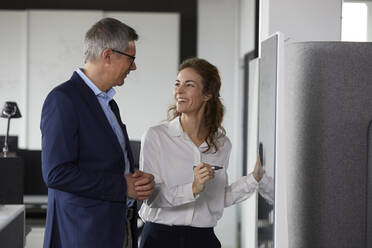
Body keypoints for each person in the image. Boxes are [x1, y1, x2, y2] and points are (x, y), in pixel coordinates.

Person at [40, 18, 155, 248]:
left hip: (119, 227)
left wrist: (133, 179)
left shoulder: (109, 103)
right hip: (84, 234)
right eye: (131, 59)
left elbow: (103, 162)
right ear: (108, 56)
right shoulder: (63, 99)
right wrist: (123, 186)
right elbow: (56, 173)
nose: (134, 67)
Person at [138, 58, 274, 248]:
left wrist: (254, 178)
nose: (179, 90)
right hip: (160, 239)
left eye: (189, 85)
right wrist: (192, 188)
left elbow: (217, 198)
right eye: (177, 84)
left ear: (207, 94)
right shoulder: (156, 136)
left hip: (203, 240)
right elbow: (150, 197)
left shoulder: (221, 144)